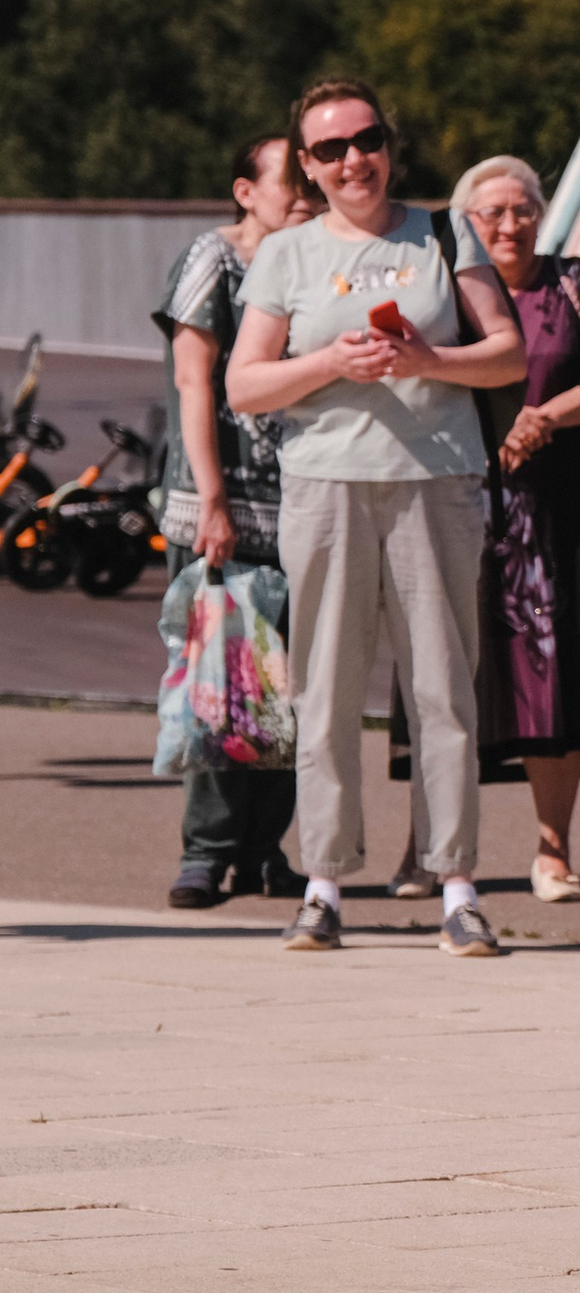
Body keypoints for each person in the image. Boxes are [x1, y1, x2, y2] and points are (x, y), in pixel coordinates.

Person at [227, 78, 526, 958]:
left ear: (388, 144)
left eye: (367, 139)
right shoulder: (286, 255)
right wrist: (327, 361)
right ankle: (322, 883)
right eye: (329, 149)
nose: (353, 159)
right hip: (324, 485)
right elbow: (245, 383)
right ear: (308, 167)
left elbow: (506, 353)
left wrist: (428, 357)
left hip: (434, 481)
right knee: (325, 685)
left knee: (444, 685)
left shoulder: (443, 232)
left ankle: (458, 883)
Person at [423, 155, 580, 903]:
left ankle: (552, 849)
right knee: (444, 670)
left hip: (562, 514)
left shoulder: (574, 281)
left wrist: (543, 418)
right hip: (464, 504)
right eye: (491, 212)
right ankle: (425, 849)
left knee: (553, 684)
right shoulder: (444, 293)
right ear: (467, 221)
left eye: (521, 208)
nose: (508, 224)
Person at [155, 135, 316, 909]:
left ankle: (263, 849)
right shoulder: (214, 259)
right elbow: (194, 381)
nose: (305, 191)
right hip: (223, 506)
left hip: (301, 505)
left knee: (285, 692)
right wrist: (213, 498)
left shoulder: (317, 259)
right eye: (290, 178)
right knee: (224, 685)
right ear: (245, 191)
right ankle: (206, 852)